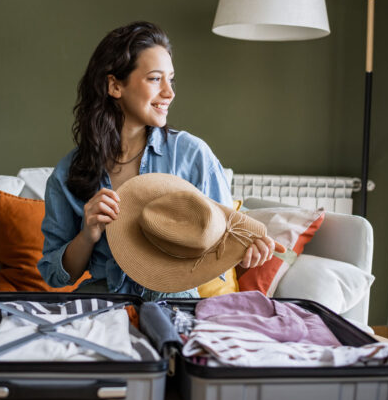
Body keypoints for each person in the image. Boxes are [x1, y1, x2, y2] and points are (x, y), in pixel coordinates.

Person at [37, 21, 275, 300]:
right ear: (114, 85)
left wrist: (245, 253)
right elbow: (56, 276)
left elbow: (225, 240)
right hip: (102, 303)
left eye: (170, 79)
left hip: (175, 307)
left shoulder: (192, 154)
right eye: (154, 78)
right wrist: (88, 234)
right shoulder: (68, 173)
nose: (169, 92)